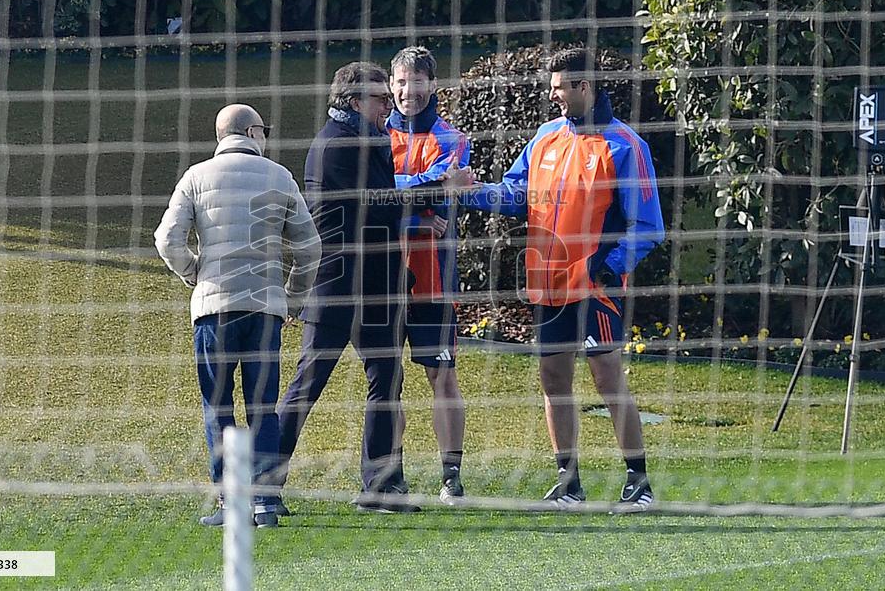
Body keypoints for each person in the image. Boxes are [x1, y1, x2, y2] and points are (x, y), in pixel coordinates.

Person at [461, 48, 665, 511]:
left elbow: (649, 228)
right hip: (547, 283)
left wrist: (606, 267)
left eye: (559, 87)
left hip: (596, 288)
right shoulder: (546, 138)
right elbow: (516, 193)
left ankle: (639, 482)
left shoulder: (625, 146)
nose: (552, 95)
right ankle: (568, 481)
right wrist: (471, 192)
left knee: (606, 375)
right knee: (553, 376)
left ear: (584, 87)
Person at [275, 61, 474, 513]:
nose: (390, 104)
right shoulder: (337, 144)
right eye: (380, 97)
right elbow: (379, 202)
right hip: (339, 285)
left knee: (387, 382)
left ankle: (379, 488)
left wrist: (423, 207)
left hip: (380, 286)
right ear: (353, 101)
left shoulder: (368, 138)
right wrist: (441, 186)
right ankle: (263, 486)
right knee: (308, 384)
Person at [154, 104, 321, 528]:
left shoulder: (195, 177)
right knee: (263, 407)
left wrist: (195, 272)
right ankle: (266, 501)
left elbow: (166, 239)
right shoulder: (279, 176)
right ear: (251, 131)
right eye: (263, 130)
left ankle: (232, 503)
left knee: (218, 407)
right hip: (265, 309)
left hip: (214, 309)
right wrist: (294, 298)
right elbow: (310, 247)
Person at [387, 46, 469, 504]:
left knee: (442, 375)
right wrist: (418, 215)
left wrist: (396, 193)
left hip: (434, 279)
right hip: (382, 276)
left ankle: (451, 477)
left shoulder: (451, 138)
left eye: (416, 82)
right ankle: (392, 474)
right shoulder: (377, 136)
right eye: (400, 82)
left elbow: (448, 179)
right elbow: (369, 191)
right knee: (387, 378)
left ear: (431, 86)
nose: (407, 92)